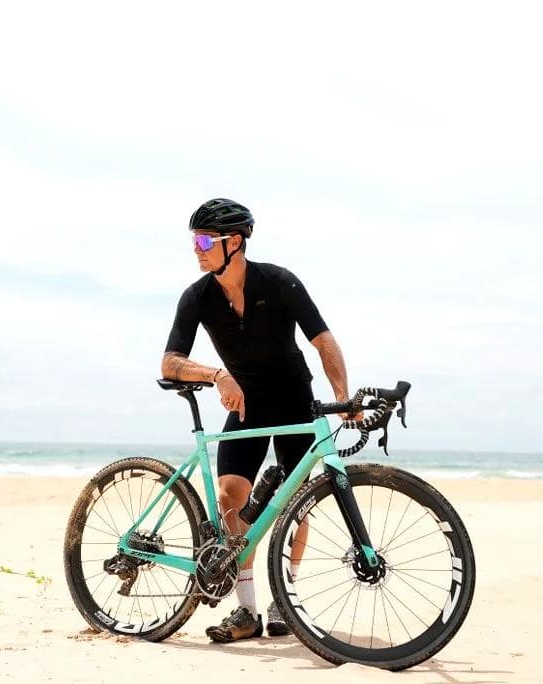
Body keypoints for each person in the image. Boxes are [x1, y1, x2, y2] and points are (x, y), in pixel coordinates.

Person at [161, 198, 358, 642]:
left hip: (293, 400)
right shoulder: (197, 297)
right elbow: (170, 361)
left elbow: (323, 341)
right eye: (195, 240)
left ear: (236, 242)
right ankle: (246, 611)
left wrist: (342, 398)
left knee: (296, 499)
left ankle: (283, 602)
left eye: (206, 239)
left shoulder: (279, 282)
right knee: (232, 493)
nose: (197, 248)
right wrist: (216, 375)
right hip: (246, 407)